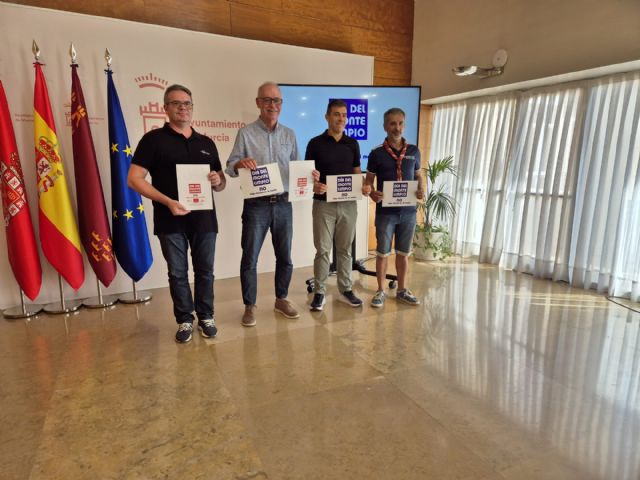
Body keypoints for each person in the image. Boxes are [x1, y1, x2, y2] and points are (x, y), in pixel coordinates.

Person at [128, 84, 226, 343]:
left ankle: (206, 316)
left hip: (204, 219)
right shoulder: (153, 140)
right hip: (169, 218)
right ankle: (184, 319)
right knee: (178, 273)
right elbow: (134, 179)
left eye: (187, 103)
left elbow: (222, 182)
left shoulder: (206, 142)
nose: (183, 107)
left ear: (192, 108)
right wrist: (167, 201)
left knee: (205, 271)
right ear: (166, 108)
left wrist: (218, 180)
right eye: (176, 103)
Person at [226, 81, 309, 327]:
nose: (273, 105)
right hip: (256, 205)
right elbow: (230, 167)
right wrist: (239, 164)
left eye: (277, 100)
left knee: (285, 255)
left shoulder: (290, 134)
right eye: (268, 100)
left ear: (281, 104)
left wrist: (308, 175)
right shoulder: (245, 133)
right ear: (258, 103)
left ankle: (281, 299)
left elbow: (297, 169)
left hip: (284, 204)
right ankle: (249, 306)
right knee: (249, 257)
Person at [305, 99, 371, 311]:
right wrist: (314, 186)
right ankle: (320, 292)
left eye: (343, 115)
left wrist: (364, 187)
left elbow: (356, 173)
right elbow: (308, 176)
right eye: (336, 114)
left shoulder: (353, 143)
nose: (340, 118)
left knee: (345, 250)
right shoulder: (314, 143)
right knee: (323, 250)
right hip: (323, 205)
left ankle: (346, 289)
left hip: (349, 205)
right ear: (327, 116)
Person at [365, 107, 424, 308]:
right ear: (384, 126)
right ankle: (380, 291)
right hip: (385, 213)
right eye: (392, 123)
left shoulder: (414, 151)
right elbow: (369, 181)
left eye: (400, 123)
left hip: (408, 212)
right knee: (382, 253)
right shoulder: (376, 153)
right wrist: (373, 193)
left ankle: (402, 290)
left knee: (403, 253)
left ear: (404, 125)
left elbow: (418, 176)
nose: (396, 128)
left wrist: (421, 189)